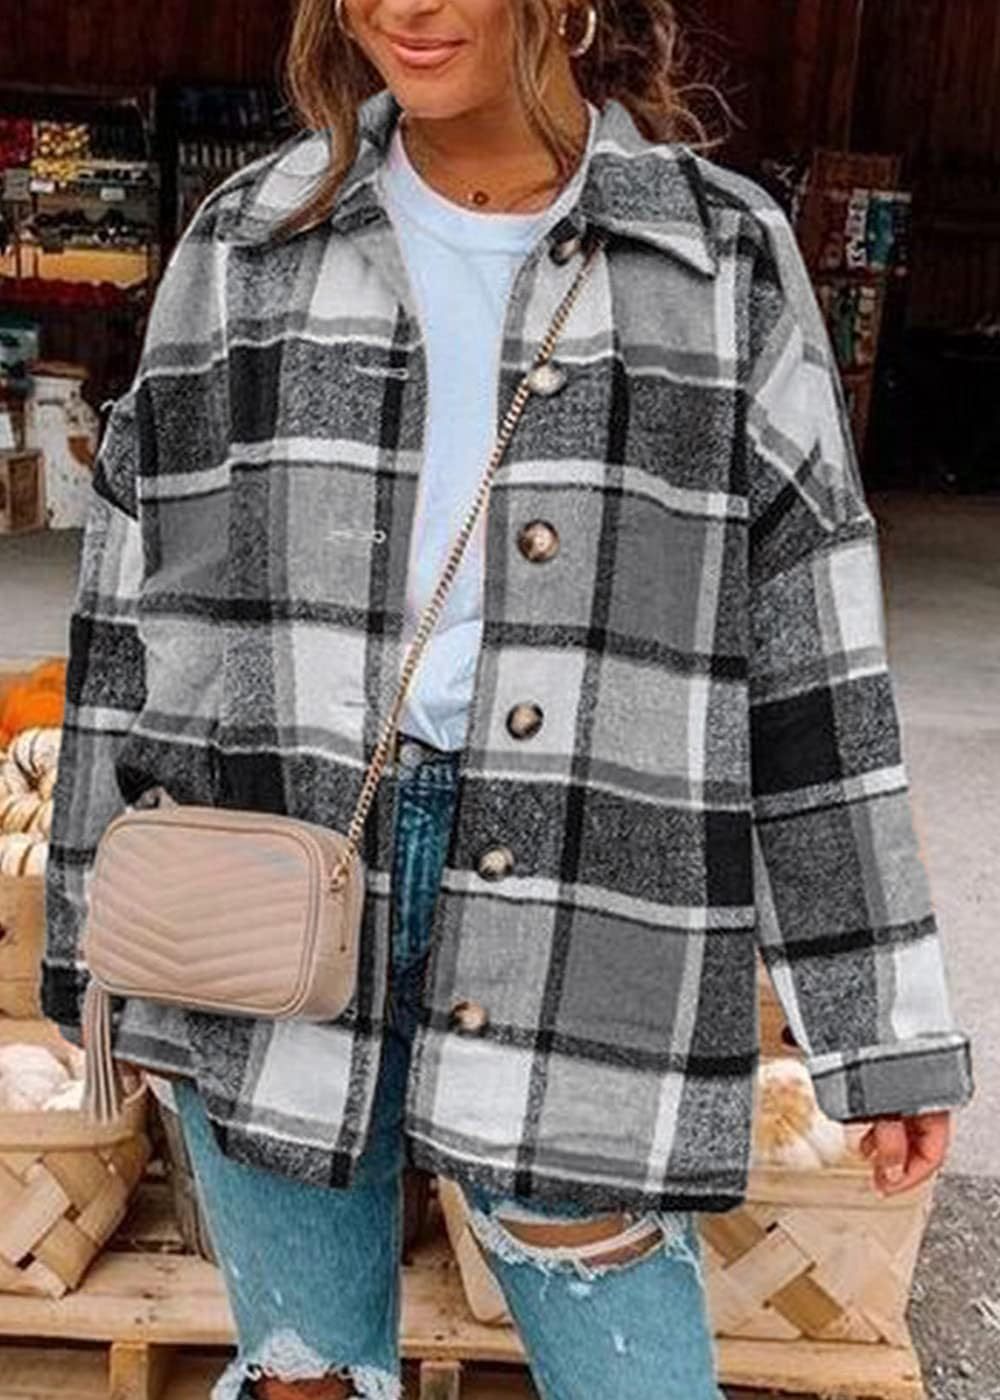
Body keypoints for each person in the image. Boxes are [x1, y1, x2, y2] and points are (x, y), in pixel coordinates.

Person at [42, 2, 975, 1397]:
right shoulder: (253, 240)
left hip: (590, 891)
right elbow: (137, 595)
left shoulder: (715, 258)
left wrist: (879, 1029)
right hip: (274, 887)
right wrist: (91, 929)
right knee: (303, 1375)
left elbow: (811, 657)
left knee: (630, 1372)